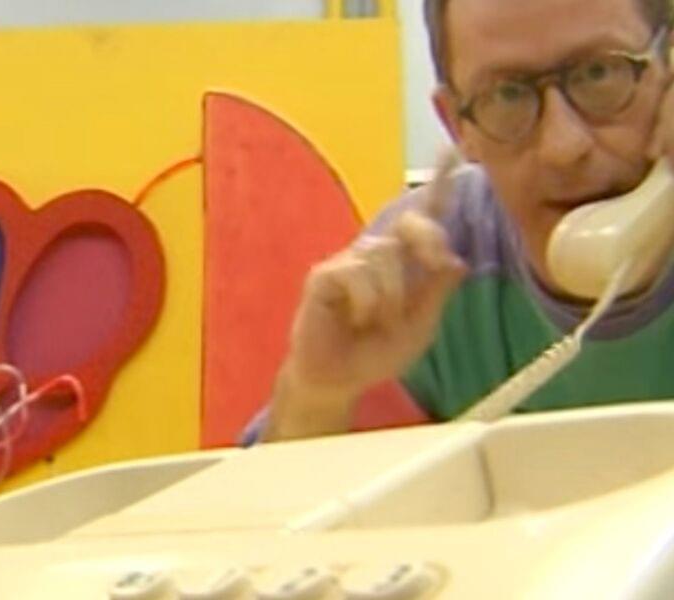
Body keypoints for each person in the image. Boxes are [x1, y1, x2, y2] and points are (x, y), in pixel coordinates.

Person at [247, 0, 674, 444]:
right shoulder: (427, 268)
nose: (563, 146)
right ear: (456, 125)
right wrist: (318, 396)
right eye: (506, 95)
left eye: (599, 73)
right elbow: (281, 490)